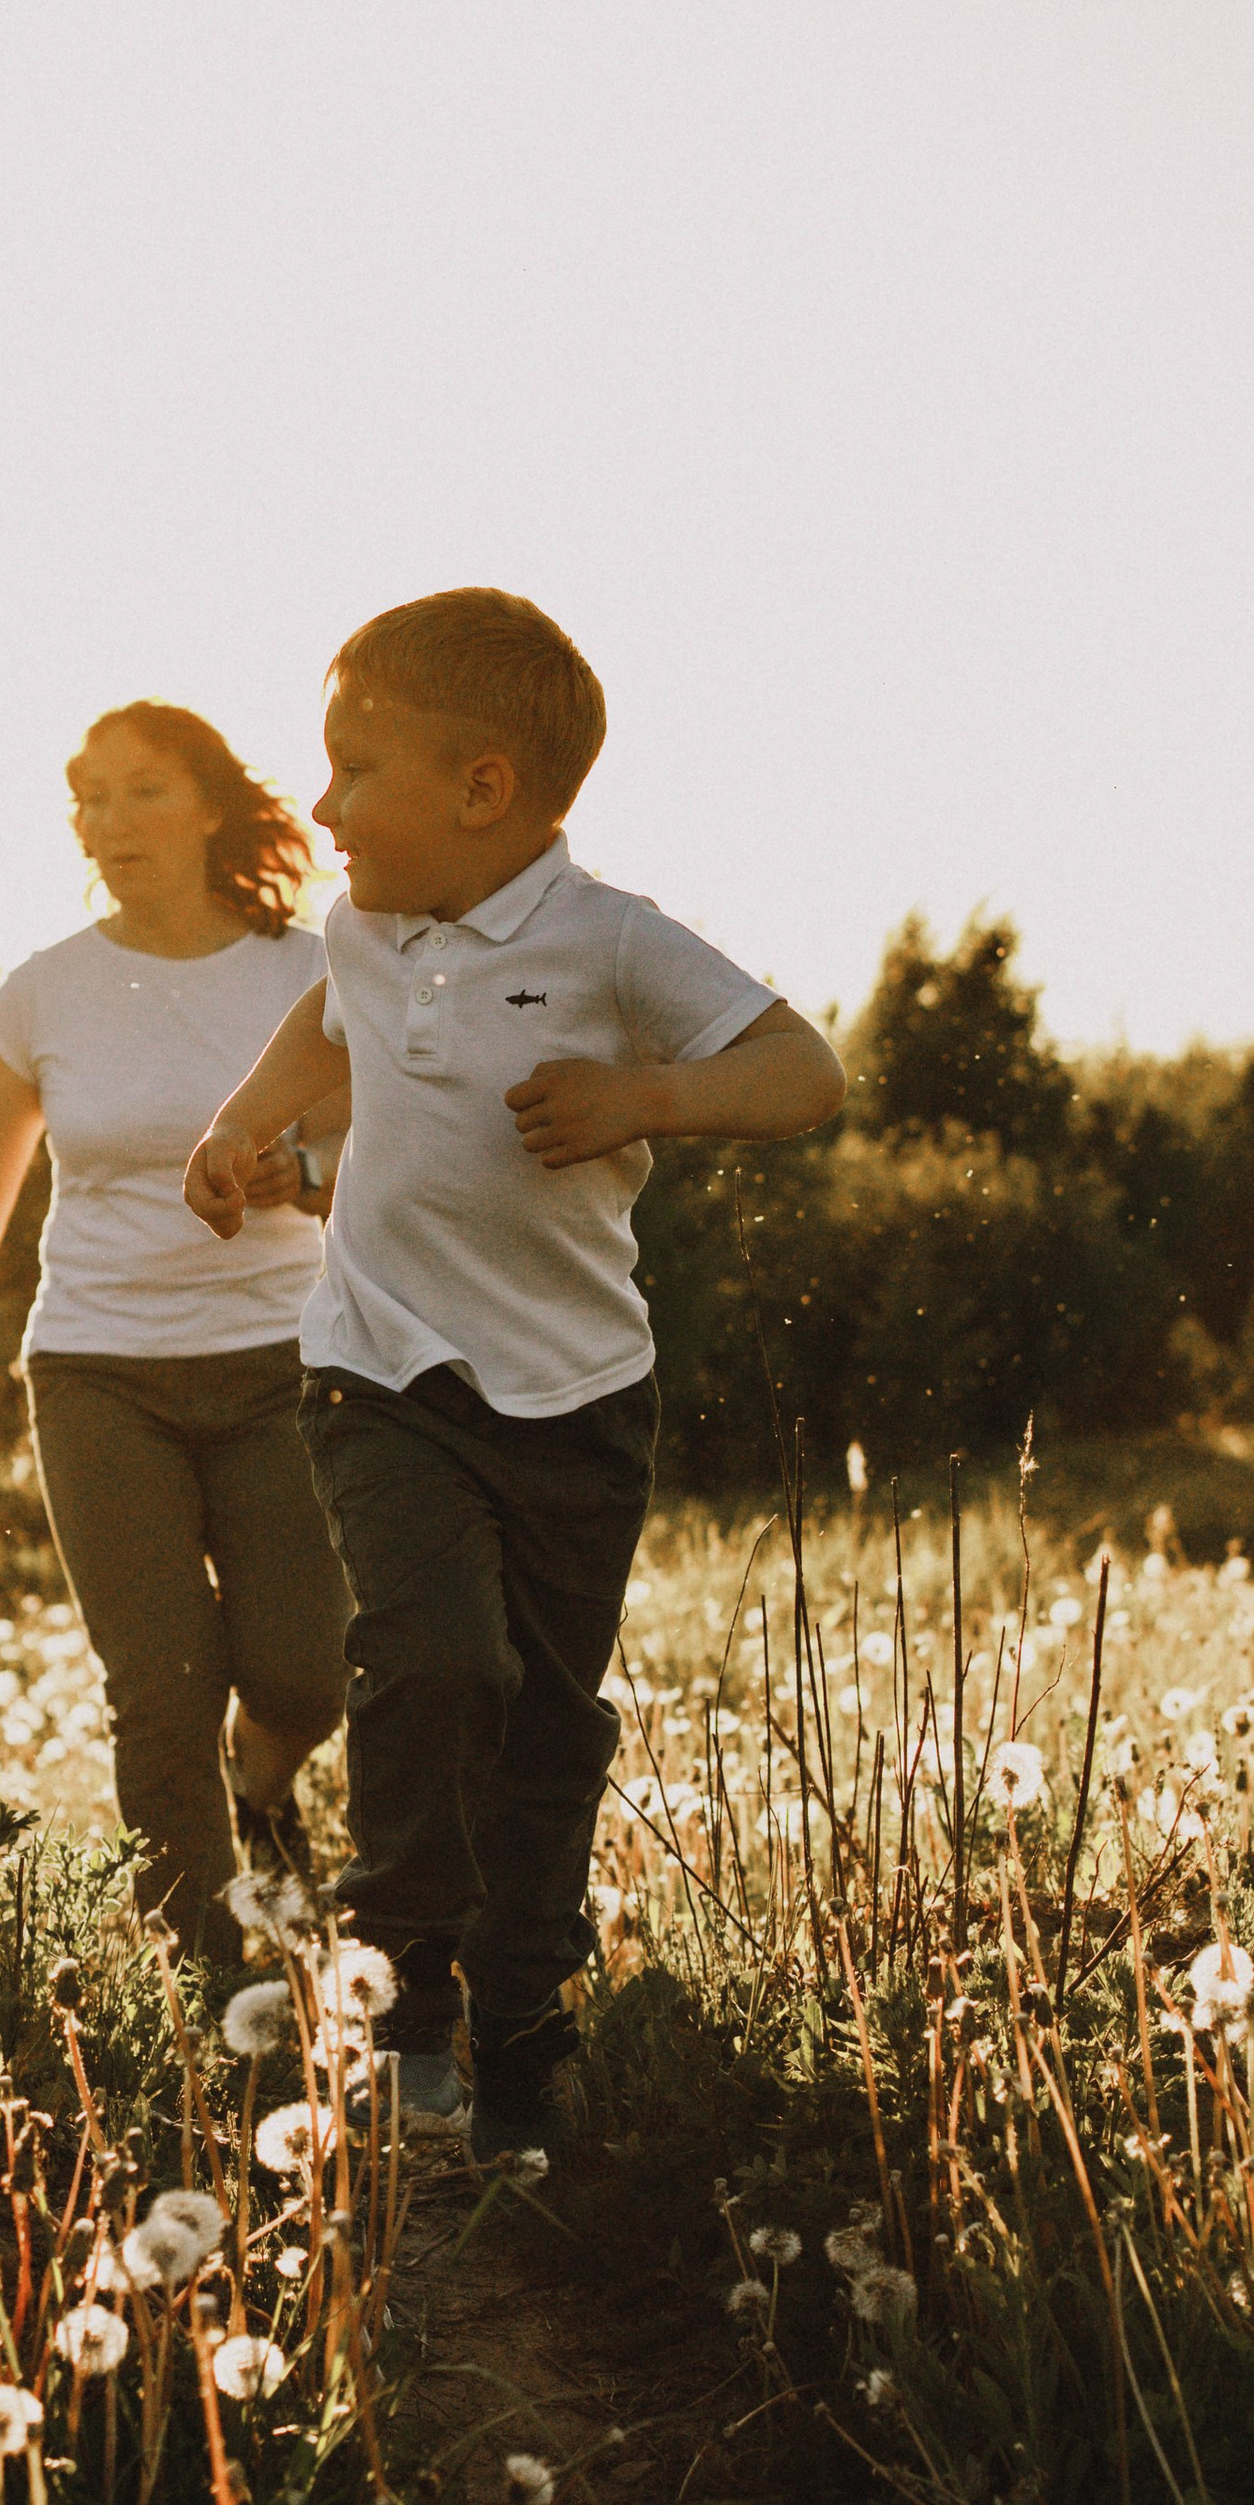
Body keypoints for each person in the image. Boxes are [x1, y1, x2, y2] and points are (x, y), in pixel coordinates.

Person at [181, 588, 844, 2152]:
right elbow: (327, 1024)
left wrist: (648, 1098)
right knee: (435, 1662)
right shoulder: (362, 928)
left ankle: (528, 2023)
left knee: (548, 1718)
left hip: (577, 1394)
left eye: (357, 772)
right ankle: (402, 1996)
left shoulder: (612, 938)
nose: (326, 807)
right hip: (381, 1365)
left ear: (484, 789)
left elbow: (804, 1071)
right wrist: (239, 1124)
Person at [0, 702, 351, 1965]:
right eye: (89, 796)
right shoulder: (46, 991)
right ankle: (208, 1986)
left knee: (307, 1670)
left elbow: (382, 1151)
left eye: (140, 791)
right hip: (97, 1373)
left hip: (283, 1360)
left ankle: (262, 1781)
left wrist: (308, 1169)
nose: (107, 820)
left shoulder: (306, 971)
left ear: (210, 806)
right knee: (160, 1691)